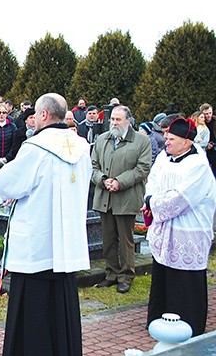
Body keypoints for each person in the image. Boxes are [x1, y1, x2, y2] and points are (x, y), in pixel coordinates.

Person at [0, 93, 91, 356]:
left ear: (45, 116)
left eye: (35, 115)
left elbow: (9, 182)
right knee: (61, 303)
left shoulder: (35, 148)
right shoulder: (82, 146)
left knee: (33, 307)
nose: (32, 120)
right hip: (66, 239)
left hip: (37, 239)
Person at [143, 117, 216, 336]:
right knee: (162, 275)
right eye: (166, 137)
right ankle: (158, 319)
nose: (166, 142)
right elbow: (152, 181)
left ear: (186, 140)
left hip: (188, 230)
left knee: (184, 280)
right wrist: (150, 198)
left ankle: (188, 325)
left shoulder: (198, 165)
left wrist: (152, 203)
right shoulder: (164, 158)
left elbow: (180, 199)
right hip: (165, 229)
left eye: (172, 139)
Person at [91, 105, 152, 293]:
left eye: (118, 120)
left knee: (125, 239)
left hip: (126, 197)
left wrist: (119, 182)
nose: (114, 123)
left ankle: (126, 276)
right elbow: (93, 166)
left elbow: (142, 169)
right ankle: (111, 273)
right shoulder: (102, 139)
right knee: (108, 239)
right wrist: (103, 180)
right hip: (105, 196)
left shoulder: (142, 141)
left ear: (128, 121)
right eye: (112, 119)